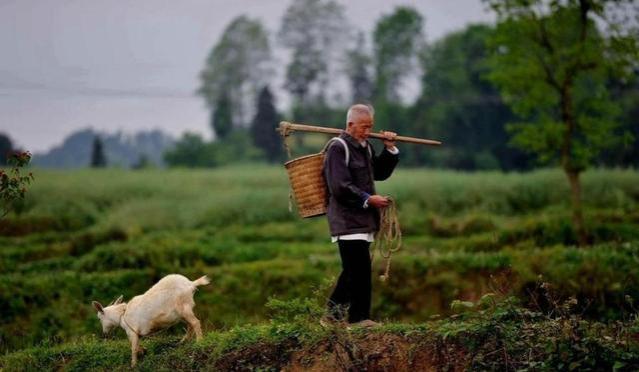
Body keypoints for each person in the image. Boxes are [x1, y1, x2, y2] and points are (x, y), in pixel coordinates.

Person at [322, 103, 399, 328]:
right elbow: (339, 186)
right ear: (350, 125)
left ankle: (332, 317)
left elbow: (379, 173)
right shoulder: (338, 148)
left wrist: (390, 149)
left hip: (363, 220)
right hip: (346, 219)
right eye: (363, 127)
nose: (367, 131)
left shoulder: (365, 147)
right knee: (359, 269)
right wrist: (368, 199)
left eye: (370, 127)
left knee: (354, 270)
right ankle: (358, 318)